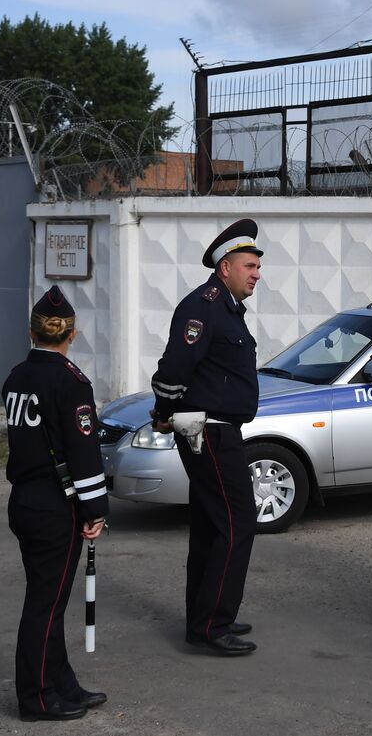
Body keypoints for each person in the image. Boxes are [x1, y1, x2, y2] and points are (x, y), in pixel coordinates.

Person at [149, 217, 263, 655]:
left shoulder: (224, 307)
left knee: (212, 525)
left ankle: (205, 617)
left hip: (218, 429)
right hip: (208, 431)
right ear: (225, 268)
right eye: (249, 265)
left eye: (257, 266)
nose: (256, 274)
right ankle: (215, 623)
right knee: (238, 522)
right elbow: (174, 367)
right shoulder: (203, 307)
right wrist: (164, 412)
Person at [3, 285, 109, 722]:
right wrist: (95, 508)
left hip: (24, 500)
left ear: (32, 332)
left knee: (49, 599)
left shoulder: (16, 377)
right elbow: (83, 452)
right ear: (72, 334)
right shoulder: (71, 383)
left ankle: (61, 681)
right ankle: (37, 698)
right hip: (54, 504)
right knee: (44, 605)